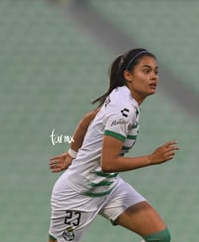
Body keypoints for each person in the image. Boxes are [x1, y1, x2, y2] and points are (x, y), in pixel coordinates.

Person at [48, 48, 179, 242]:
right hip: (77, 195)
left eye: (156, 72)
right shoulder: (123, 109)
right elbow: (108, 163)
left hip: (108, 187)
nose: (154, 77)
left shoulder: (121, 95)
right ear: (128, 75)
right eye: (146, 71)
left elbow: (88, 119)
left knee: (159, 237)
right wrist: (151, 159)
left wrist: (71, 154)